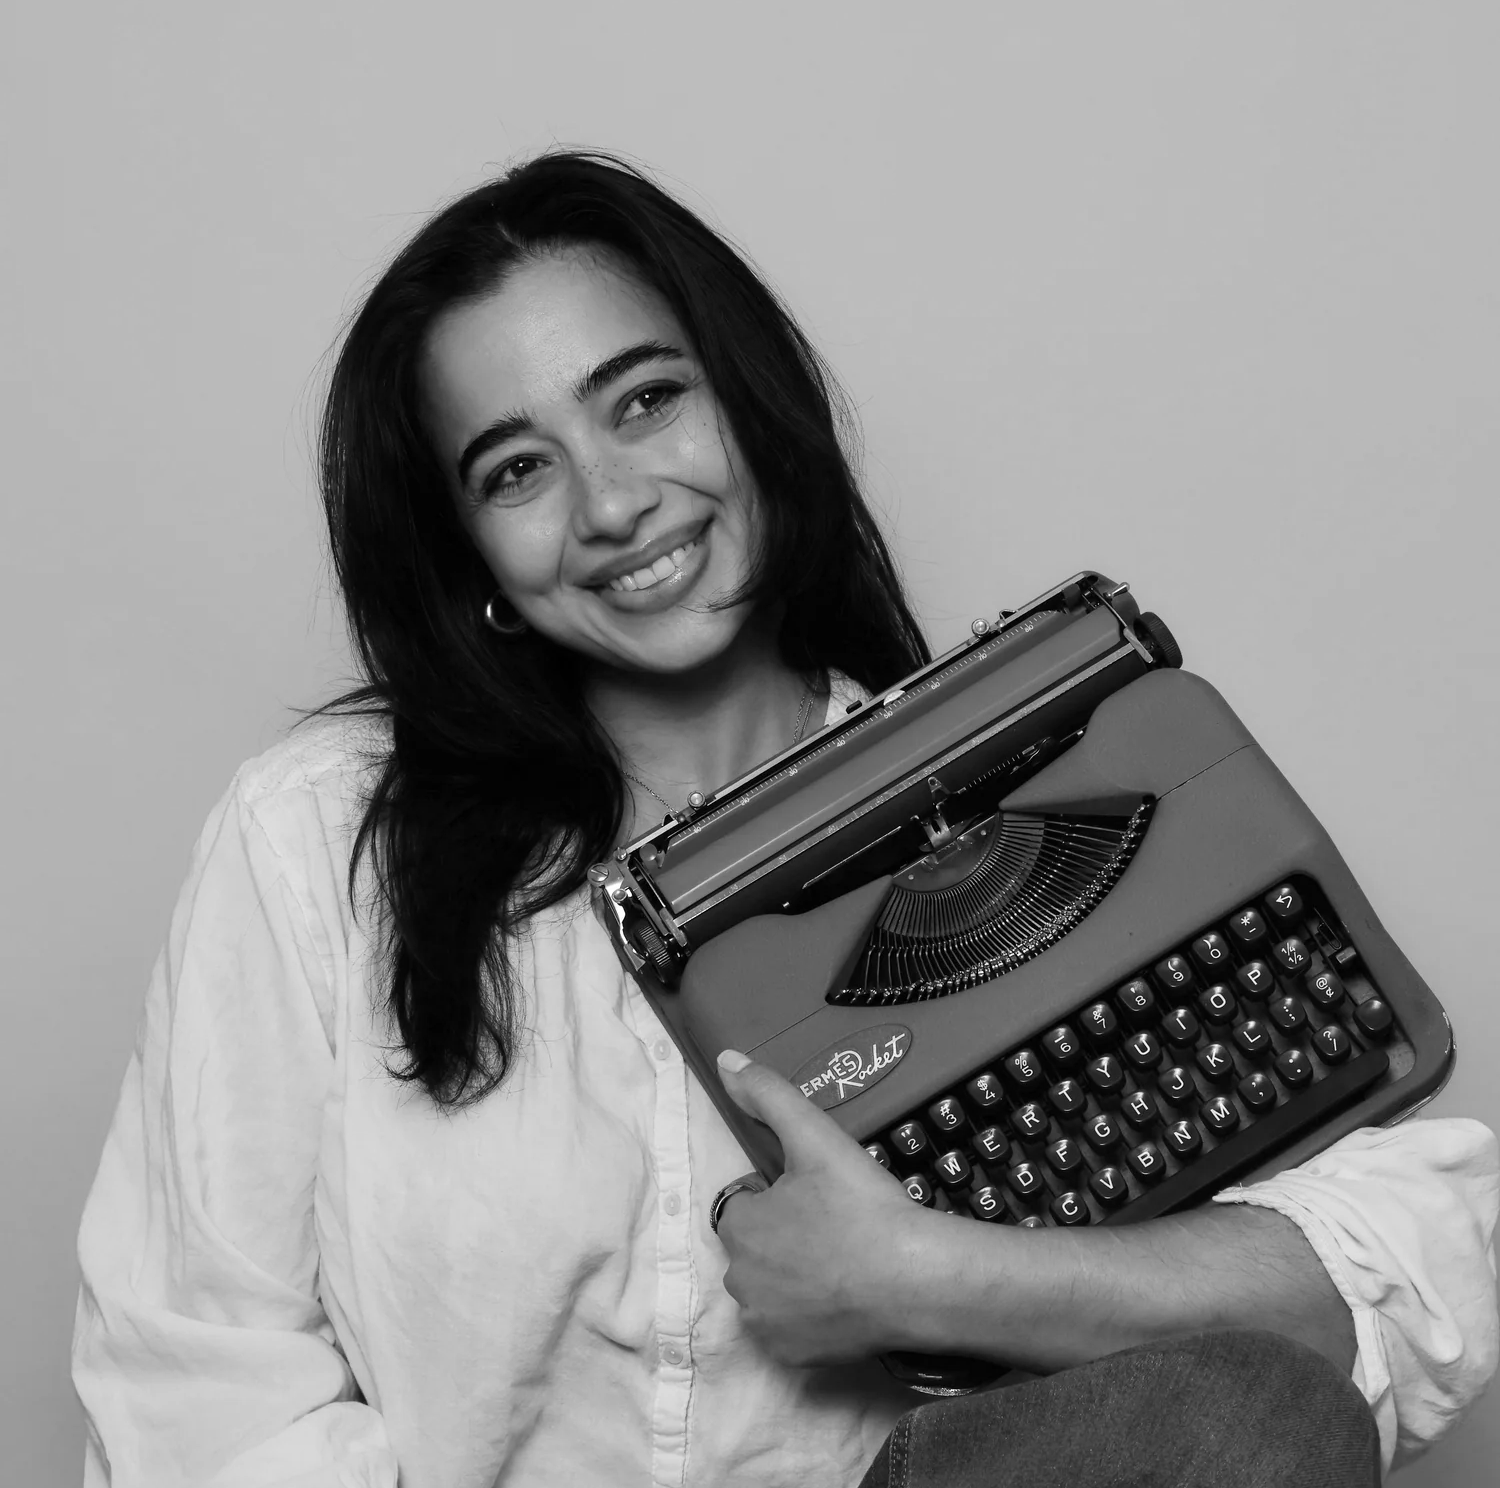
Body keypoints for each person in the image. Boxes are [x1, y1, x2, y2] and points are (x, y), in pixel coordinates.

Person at [72, 152, 1498, 1487]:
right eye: (518, 469)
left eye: (645, 399)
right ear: (474, 565)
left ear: (751, 403)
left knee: (1247, 1409)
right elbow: (198, 1394)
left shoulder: (1017, 768)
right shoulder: (316, 843)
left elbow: (1427, 1261)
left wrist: (922, 1279)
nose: (617, 502)